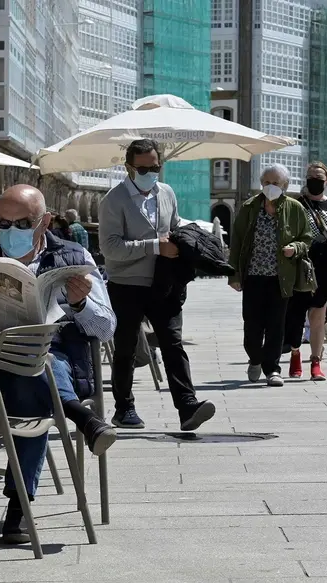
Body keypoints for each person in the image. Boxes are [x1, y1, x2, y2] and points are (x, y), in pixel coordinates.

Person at [0, 184, 117, 544]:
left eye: (22, 224)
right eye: (3, 224)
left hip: (50, 365)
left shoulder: (74, 257)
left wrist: (81, 304)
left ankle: (19, 504)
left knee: (39, 364)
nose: (11, 232)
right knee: (33, 367)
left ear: (44, 222)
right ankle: (81, 418)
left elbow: (106, 329)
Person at [99, 137, 215, 430]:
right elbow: (110, 248)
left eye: (155, 167)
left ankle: (188, 407)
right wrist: (153, 246)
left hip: (164, 281)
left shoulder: (166, 192)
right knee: (126, 348)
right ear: (129, 168)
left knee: (172, 343)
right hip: (127, 284)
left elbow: (172, 228)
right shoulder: (113, 200)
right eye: (143, 169)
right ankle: (124, 408)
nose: (150, 173)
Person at [228, 163, 311, 387]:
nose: (270, 186)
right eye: (266, 182)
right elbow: (237, 241)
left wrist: (295, 247)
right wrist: (233, 274)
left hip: (281, 278)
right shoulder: (250, 207)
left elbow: (306, 238)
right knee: (252, 325)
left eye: (275, 183)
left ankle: (272, 369)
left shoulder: (294, 208)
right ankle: (255, 358)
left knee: (276, 325)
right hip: (253, 276)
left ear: (285, 185)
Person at [284, 161, 327, 381]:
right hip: (299, 267)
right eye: (310, 177)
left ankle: (315, 361)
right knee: (295, 316)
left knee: (318, 315)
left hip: (326, 268)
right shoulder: (296, 204)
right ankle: (295, 353)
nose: (314, 181)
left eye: (319, 178)